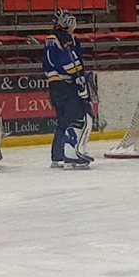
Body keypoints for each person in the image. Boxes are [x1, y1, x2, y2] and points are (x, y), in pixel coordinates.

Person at [43, 9, 94, 169]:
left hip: (64, 85)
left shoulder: (68, 38)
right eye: (68, 19)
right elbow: (61, 63)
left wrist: (79, 78)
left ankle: (58, 157)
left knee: (64, 121)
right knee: (76, 118)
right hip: (62, 85)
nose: (72, 22)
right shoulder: (55, 39)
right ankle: (70, 157)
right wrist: (77, 77)